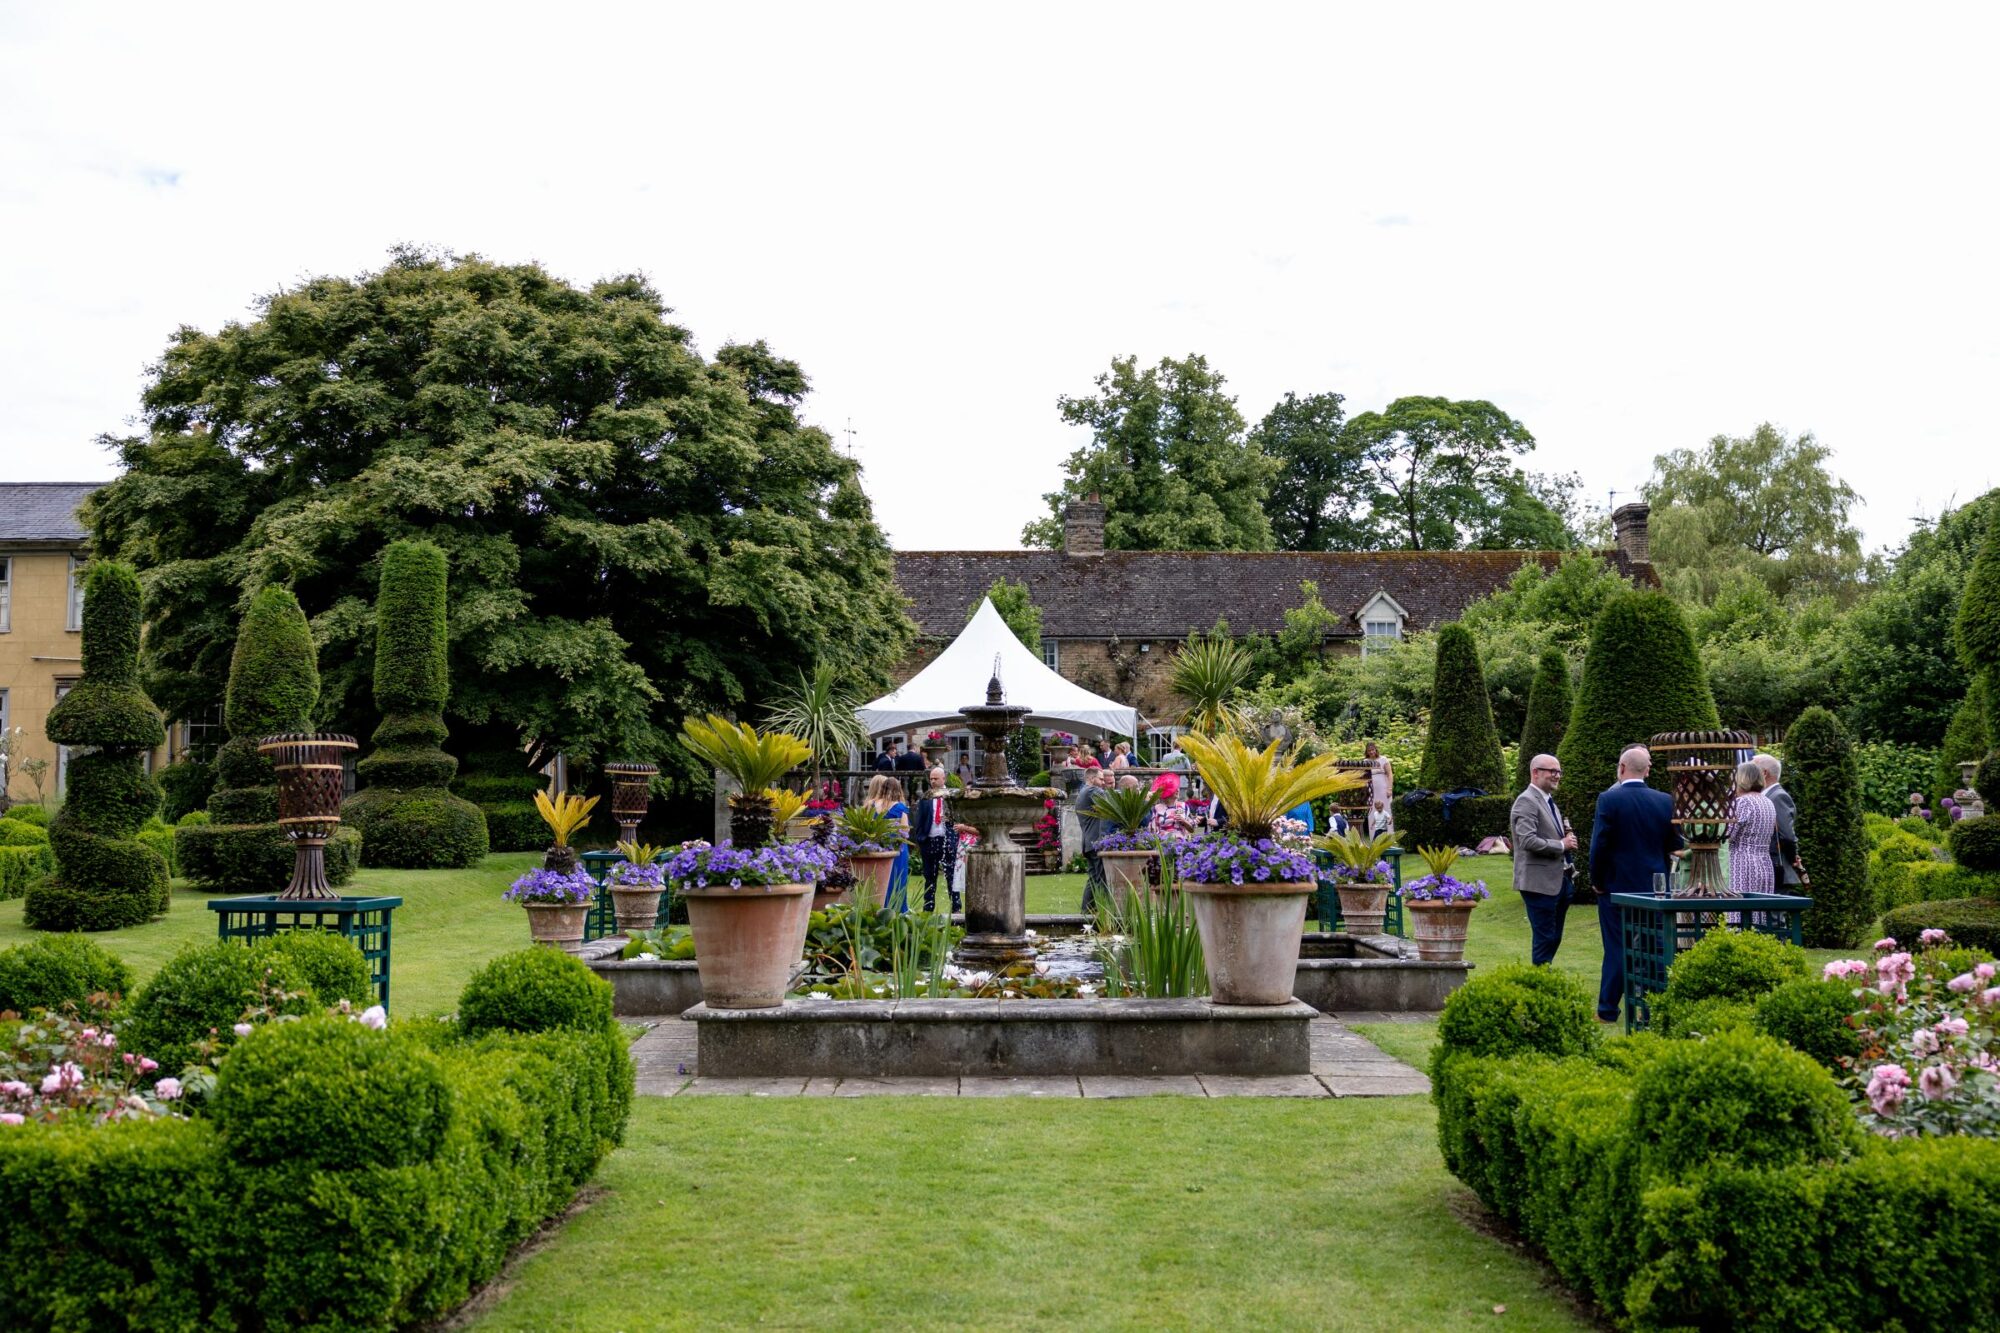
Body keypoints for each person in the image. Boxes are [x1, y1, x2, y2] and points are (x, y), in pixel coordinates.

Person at [1588, 745, 1684, 1024]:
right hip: (1654, 885)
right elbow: (1674, 845)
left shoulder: (1608, 800)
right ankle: (1654, 1007)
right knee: (1654, 945)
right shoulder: (1665, 801)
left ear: (1621, 768)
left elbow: (1599, 846)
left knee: (1617, 946)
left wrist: (1597, 880)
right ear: (1647, 770)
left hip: (1616, 886)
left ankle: (1607, 1010)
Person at [1511, 753, 1577, 965]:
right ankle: (1538, 986)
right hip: (1538, 884)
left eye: (1559, 771)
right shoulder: (1526, 801)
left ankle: (1543, 980)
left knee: (1553, 937)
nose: (1557, 776)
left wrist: (1565, 839)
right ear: (1535, 772)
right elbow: (1527, 841)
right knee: (1545, 938)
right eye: (1552, 771)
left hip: (1559, 881)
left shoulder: (1548, 801)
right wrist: (1561, 845)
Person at [913, 767, 976, 913]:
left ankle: (956, 909)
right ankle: (927, 910)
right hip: (929, 841)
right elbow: (919, 821)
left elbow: (961, 818)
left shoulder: (952, 796)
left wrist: (950, 820)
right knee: (930, 877)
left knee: (951, 876)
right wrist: (921, 840)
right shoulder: (926, 797)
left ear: (944, 779)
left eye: (936, 778)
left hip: (948, 840)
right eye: (931, 778)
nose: (933, 781)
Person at [1726, 761, 1777, 899]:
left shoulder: (1743, 802)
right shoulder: (1767, 802)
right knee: (1760, 911)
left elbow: (1728, 835)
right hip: (1764, 862)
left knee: (1739, 912)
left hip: (1742, 864)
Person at [864, 774, 913, 912]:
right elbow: (905, 831)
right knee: (897, 879)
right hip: (897, 848)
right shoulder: (899, 807)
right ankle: (896, 909)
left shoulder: (872, 804)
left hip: (877, 847)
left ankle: (878, 907)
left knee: (879, 880)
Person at [1754, 753, 1803, 889]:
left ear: (1764, 773)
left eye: (1752, 770)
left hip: (1778, 872)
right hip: (1770, 871)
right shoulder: (1766, 796)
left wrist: (1793, 858)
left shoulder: (1778, 797)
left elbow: (1786, 835)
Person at [1075, 766, 1113, 911]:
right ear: (1091, 779)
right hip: (1096, 842)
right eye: (1101, 779)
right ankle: (1104, 913)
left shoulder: (1084, 792)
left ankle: (1086, 912)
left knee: (1093, 880)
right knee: (1101, 880)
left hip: (1089, 843)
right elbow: (1113, 800)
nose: (1104, 782)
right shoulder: (1092, 790)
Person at [1364, 742, 1395, 837]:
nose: (1371, 752)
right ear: (1367, 752)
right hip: (1371, 789)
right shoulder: (1365, 761)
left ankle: (1389, 835)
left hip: (1383, 787)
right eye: (1369, 751)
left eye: (1373, 750)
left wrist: (1389, 788)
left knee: (1386, 809)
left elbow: (1389, 774)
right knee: (1372, 810)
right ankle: (1374, 835)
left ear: (1376, 750)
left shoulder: (1383, 759)